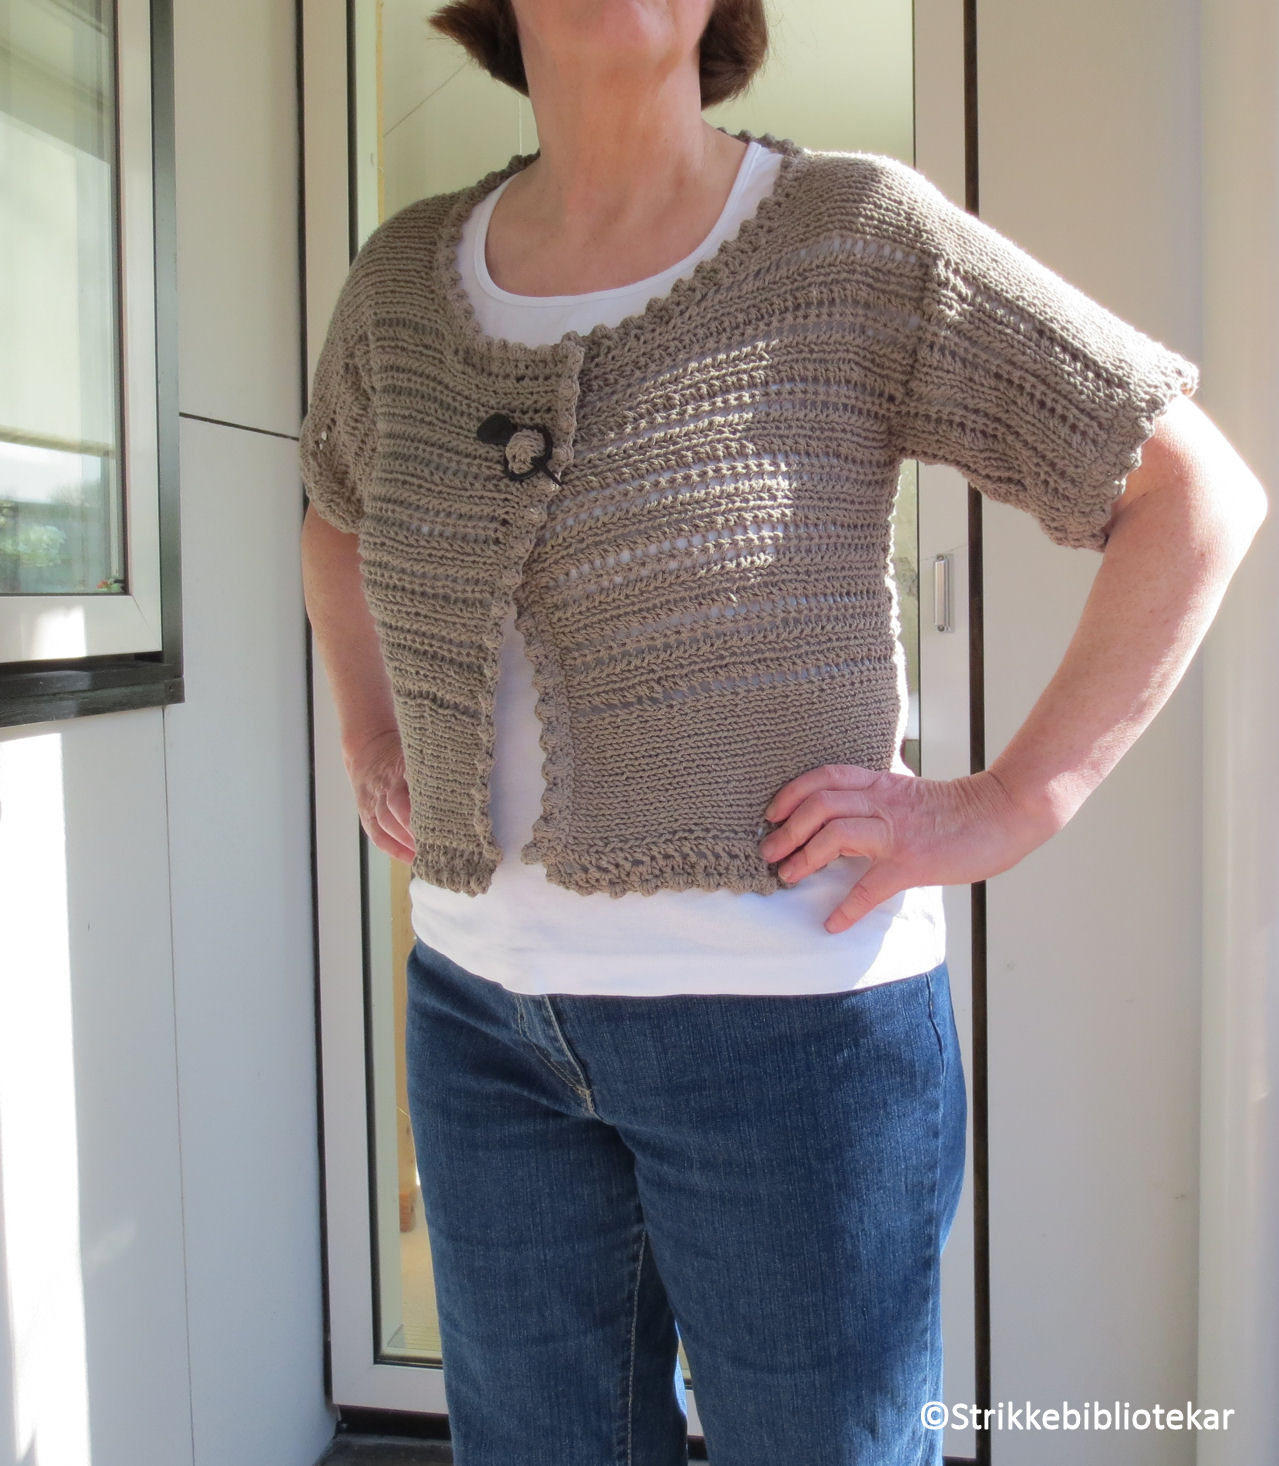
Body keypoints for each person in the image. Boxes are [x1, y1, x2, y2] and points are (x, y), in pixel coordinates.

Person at [298, 2, 1267, 1461]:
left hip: (796, 1042)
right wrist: (373, 733)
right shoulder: (398, 286)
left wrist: (1012, 801)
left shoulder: (851, 236)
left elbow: (1194, 493)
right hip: (481, 1024)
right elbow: (332, 514)